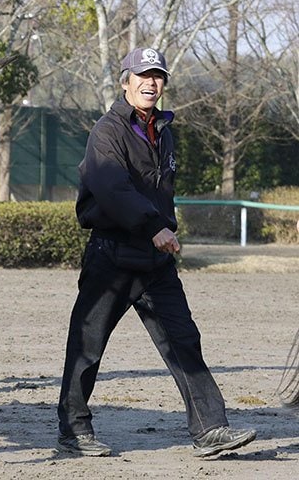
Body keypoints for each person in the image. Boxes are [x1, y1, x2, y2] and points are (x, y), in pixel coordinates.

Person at [56, 47, 256, 458]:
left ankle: (210, 429)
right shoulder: (106, 132)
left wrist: (163, 229)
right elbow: (113, 190)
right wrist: (155, 227)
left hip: (156, 261)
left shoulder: (164, 130)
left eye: (158, 76)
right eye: (142, 75)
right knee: (87, 345)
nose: (151, 82)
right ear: (125, 81)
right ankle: (74, 431)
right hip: (112, 257)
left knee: (184, 340)